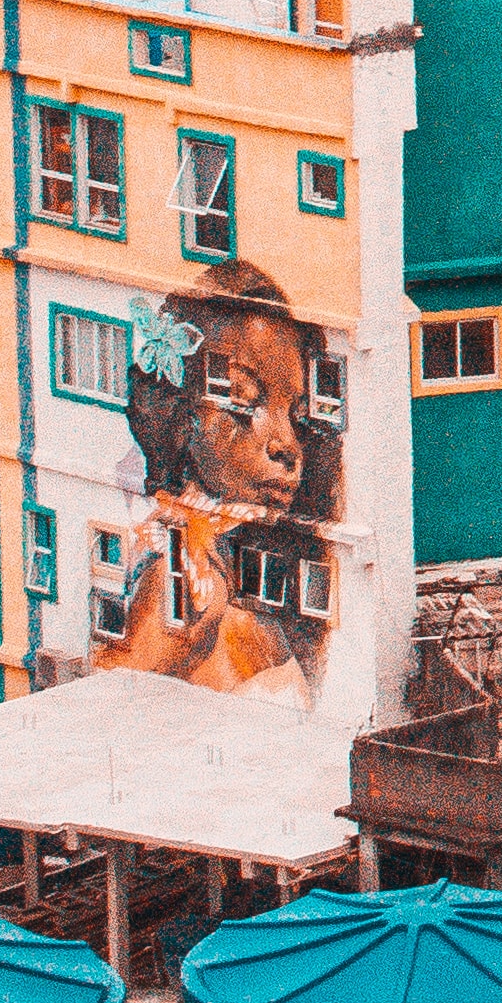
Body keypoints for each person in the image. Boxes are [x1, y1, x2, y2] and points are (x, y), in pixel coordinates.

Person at [99, 261, 347, 702]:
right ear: (182, 415)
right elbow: (112, 704)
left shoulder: (248, 568)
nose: (286, 444)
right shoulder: (186, 573)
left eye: (296, 414)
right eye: (243, 401)